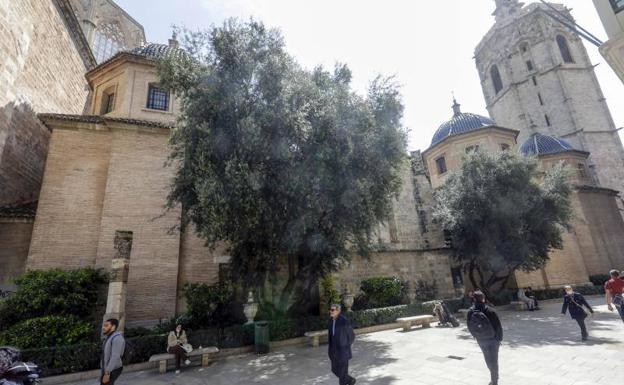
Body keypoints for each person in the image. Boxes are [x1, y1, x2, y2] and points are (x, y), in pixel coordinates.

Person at [467, 291, 503, 385]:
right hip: (493, 339)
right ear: (483, 299)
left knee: (487, 358)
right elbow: (498, 326)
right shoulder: (490, 310)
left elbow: (469, 326)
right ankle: (494, 379)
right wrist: (499, 339)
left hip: (481, 340)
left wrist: (475, 336)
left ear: (474, 299)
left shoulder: (470, 312)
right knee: (494, 359)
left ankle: (493, 373)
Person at [328, 304, 356, 385]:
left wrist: (346, 346)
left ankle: (346, 381)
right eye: (330, 309)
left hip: (343, 351)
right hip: (334, 351)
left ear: (338, 311)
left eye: (333, 310)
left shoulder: (343, 321)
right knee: (335, 370)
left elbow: (351, 335)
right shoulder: (331, 320)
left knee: (342, 373)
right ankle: (350, 380)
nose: (331, 311)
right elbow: (331, 336)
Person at [101, 318, 125, 385]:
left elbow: (115, 356)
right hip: (107, 369)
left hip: (113, 369)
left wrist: (107, 372)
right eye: (103, 325)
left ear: (113, 327)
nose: (103, 327)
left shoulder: (117, 338)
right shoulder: (108, 338)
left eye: (106, 325)